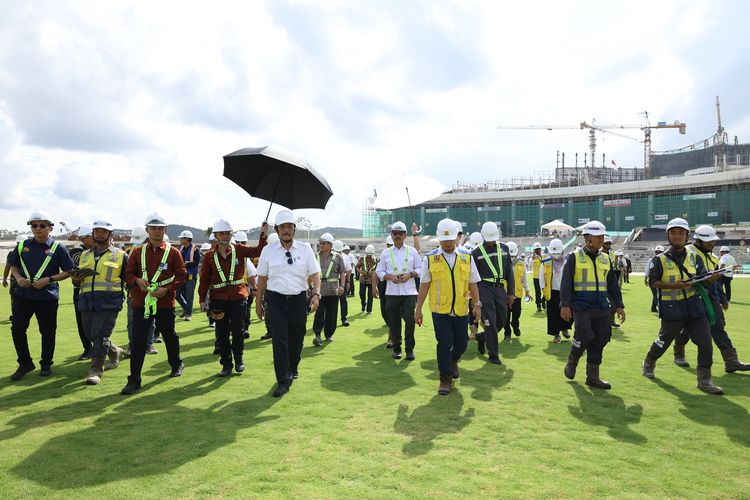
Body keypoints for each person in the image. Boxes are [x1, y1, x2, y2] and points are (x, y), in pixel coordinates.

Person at [641, 218, 724, 395]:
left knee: (705, 343)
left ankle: (704, 381)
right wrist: (673, 286)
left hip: (695, 308)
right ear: (668, 236)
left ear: (687, 236)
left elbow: (703, 281)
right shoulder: (659, 260)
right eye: (674, 233)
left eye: (681, 233)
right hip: (672, 309)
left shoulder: (695, 257)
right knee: (663, 341)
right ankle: (649, 362)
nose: (677, 236)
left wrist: (711, 278)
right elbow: (652, 282)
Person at [255, 210, 320, 397]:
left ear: (294, 230)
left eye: (289, 227)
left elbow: (315, 275)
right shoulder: (268, 251)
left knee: (297, 339)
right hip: (276, 301)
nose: (286, 230)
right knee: (279, 340)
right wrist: (258, 304)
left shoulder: (305, 249)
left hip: (299, 300)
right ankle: (282, 380)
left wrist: (316, 294)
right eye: (282, 227)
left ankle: (293, 367)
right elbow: (262, 280)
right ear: (276, 229)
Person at [121, 213, 187, 395]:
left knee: (169, 335)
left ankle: (176, 363)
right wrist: (137, 281)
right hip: (142, 302)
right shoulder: (137, 252)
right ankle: (134, 379)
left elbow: (182, 275)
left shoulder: (173, 252)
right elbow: (128, 274)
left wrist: (167, 289)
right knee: (138, 340)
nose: (156, 231)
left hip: (165, 302)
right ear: (147, 230)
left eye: (160, 228)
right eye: (153, 228)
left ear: (165, 230)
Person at [415, 218, 482, 395]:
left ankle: (453, 360)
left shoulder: (467, 257)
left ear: (456, 238)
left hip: (461, 308)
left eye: (450, 239)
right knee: (444, 343)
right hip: (440, 310)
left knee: (462, 343)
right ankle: (445, 379)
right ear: (439, 239)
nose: (447, 243)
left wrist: (477, 304)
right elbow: (424, 285)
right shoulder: (430, 259)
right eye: (443, 240)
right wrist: (418, 308)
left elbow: (473, 282)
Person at [672, 225, 750, 373]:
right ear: (698, 241)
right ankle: (679, 354)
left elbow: (716, 280)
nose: (712, 244)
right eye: (707, 241)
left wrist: (723, 298)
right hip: (691, 298)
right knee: (687, 328)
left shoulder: (713, 257)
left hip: (711, 298)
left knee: (719, 327)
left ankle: (731, 362)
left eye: (713, 241)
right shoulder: (687, 253)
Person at [8, 211, 75, 380]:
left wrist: (49, 279)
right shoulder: (22, 245)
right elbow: (14, 266)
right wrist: (18, 277)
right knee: (17, 329)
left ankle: (46, 364)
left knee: (47, 332)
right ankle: (25, 363)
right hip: (22, 295)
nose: (37, 228)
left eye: (42, 225)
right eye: (34, 225)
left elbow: (70, 271)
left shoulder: (58, 248)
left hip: (47, 297)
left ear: (50, 228)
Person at [560, 220, 625, 389]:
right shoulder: (574, 257)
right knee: (584, 334)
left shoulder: (605, 259)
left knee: (602, 338)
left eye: (603, 236)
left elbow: (612, 284)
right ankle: (572, 361)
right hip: (581, 306)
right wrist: (565, 305)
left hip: (602, 307)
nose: (602, 239)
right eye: (598, 237)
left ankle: (592, 377)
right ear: (587, 238)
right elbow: (566, 282)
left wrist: (619, 305)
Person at [198, 220, 267, 377]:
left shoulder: (239, 250)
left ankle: (239, 360)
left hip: (238, 297)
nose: (224, 236)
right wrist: (202, 299)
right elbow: (204, 280)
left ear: (231, 234)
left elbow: (258, 250)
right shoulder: (209, 256)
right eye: (221, 233)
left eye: (227, 233)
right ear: (215, 235)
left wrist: (263, 234)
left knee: (238, 330)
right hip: (218, 299)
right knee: (221, 333)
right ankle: (226, 364)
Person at [72, 220, 127, 385]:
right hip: (87, 301)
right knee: (89, 333)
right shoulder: (84, 255)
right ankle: (115, 350)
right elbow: (78, 281)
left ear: (110, 234)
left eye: (104, 231)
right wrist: (75, 281)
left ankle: (95, 370)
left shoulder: (120, 255)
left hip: (109, 301)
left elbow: (128, 278)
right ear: (93, 234)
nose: (100, 234)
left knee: (101, 334)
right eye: (97, 231)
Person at [376, 221, 422, 360]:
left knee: (409, 321)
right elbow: (379, 271)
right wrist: (389, 277)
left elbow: (420, 269)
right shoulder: (385, 253)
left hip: (409, 293)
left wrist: (410, 274)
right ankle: (397, 348)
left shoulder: (412, 251)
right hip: (392, 292)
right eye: (395, 233)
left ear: (405, 235)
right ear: (391, 235)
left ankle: (409, 350)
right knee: (394, 322)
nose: (397, 236)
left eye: (400, 233)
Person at [471, 221, 514, 364]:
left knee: (501, 320)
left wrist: (511, 293)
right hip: (484, 289)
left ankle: (483, 337)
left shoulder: (505, 249)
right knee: (489, 321)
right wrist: (475, 299)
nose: (491, 242)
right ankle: (493, 355)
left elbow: (509, 272)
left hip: (500, 289)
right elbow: (473, 278)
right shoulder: (476, 253)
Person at [311, 233, 346, 346]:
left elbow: (342, 272)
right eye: (320, 243)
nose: (321, 245)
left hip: (333, 290)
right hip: (319, 291)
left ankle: (329, 334)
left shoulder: (337, 257)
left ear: (330, 245)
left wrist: (342, 286)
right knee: (319, 314)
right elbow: (311, 273)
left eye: (324, 243)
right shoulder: (315, 256)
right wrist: (307, 286)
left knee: (332, 314)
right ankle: (317, 334)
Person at [69, 224, 95, 360]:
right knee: (82, 323)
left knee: (99, 323)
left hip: (98, 291)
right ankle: (87, 348)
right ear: (83, 239)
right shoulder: (76, 252)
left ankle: (100, 348)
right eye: (92, 236)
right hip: (80, 291)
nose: (95, 238)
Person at [539, 238, 573, 343]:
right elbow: (541, 278)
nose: (556, 255)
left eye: (557, 253)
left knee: (568, 312)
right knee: (553, 314)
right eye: (554, 253)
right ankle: (556, 334)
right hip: (552, 292)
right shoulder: (546, 263)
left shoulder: (568, 261)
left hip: (566, 292)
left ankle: (565, 328)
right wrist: (544, 292)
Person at [504, 241, 531, 338]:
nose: (511, 257)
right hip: (505, 293)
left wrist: (527, 290)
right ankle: (507, 332)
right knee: (505, 315)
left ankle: (515, 325)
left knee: (517, 312)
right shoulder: (502, 261)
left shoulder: (521, 262)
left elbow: (524, 277)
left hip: (517, 293)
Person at [373, 235, 395, 348]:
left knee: (393, 314)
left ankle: (392, 337)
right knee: (384, 313)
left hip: (396, 289)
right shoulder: (384, 255)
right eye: (389, 245)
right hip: (384, 288)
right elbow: (377, 272)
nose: (390, 247)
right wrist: (373, 287)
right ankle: (394, 332)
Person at [258, 232, 279, 341]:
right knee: (268, 311)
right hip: (267, 290)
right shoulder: (266, 254)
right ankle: (270, 331)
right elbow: (261, 275)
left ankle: (276, 331)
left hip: (279, 290)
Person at [176, 230, 200, 321]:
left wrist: (185, 264)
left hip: (190, 276)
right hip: (181, 275)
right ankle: (186, 308)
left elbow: (196, 262)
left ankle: (188, 314)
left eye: (182, 238)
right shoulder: (181, 249)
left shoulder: (195, 249)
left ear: (187, 239)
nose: (180, 240)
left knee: (189, 296)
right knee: (177, 294)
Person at [333, 240, 351, 327]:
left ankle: (344, 318)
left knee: (343, 300)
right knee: (332, 302)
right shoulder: (329, 256)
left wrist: (347, 281)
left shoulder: (346, 257)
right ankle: (331, 320)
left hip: (341, 281)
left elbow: (348, 270)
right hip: (332, 281)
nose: (337, 253)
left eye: (339, 251)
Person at [356, 244, 377, 314]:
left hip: (371, 280)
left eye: (370, 254)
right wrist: (360, 271)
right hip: (363, 279)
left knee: (370, 295)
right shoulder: (362, 259)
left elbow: (378, 270)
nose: (369, 256)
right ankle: (363, 303)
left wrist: (372, 272)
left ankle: (369, 309)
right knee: (361, 293)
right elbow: (357, 267)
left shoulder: (375, 260)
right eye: (368, 254)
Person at [645, 245, 664, 313]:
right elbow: (647, 269)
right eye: (656, 252)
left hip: (661, 280)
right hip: (653, 280)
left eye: (660, 252)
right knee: (656, 294)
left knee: (656, 294)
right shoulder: (651, 259)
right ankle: (659, 309)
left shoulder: (665, 260)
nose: (658, 253)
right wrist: (646, 278)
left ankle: (653, 308)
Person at [531, 242, 546, 311]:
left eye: (539, 249)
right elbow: (529, 263)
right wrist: (533, 255)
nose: (538, 250)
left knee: (546, 290)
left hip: (543, 277)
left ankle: (543, 300)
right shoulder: (532, 258)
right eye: (536, 249)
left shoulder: (544, 256)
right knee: (538, 292)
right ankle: (538, 305)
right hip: (536, 277)